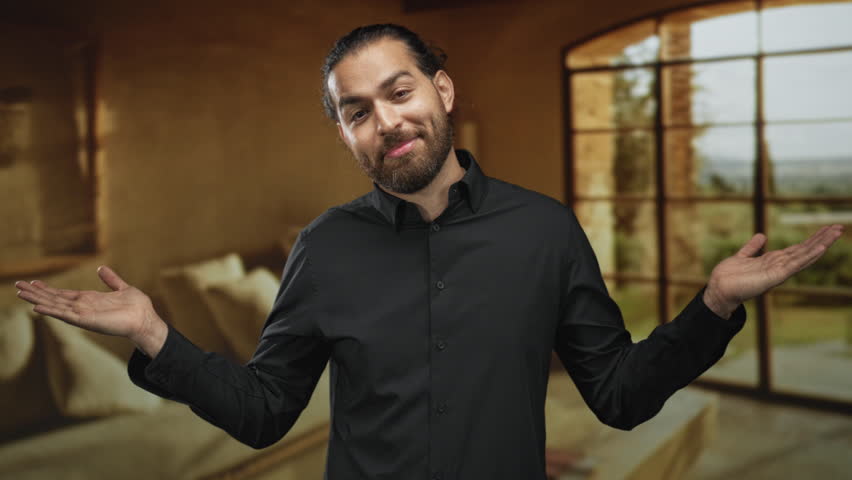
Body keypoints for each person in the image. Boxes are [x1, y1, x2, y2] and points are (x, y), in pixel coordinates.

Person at [14, 24, 844, 480]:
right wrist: (155, 335)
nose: (386, 120)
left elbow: (620, 396)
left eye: (399, 91)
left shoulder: (544, 230)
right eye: (357, 110)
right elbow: (265, 412)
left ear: (440, 91)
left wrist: (716, 307)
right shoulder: (325, 248)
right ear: (346, 133)